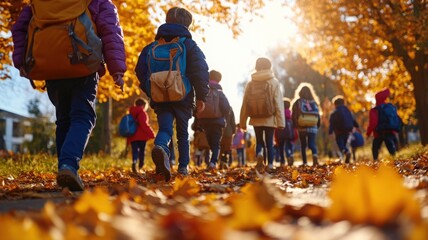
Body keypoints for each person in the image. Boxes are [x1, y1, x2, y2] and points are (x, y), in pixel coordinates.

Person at [12, 0, 126, 191]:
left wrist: (21, 62)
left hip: (50, 68)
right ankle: (68, 166)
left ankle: (63, 170)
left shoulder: (39, 3)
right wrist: (117, 69)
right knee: (83, 117)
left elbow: (20, 29)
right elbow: (111, 33)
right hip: (83, 67)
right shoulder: (98, 2)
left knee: (63, 120)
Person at [135, 7, 209, 181]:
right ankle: (183, 168)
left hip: (160, 97)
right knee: (182, 133)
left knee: (165, 128)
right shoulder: (188, 45)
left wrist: (152, 89)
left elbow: (140, 70)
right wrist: (202, 96)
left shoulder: (152, 46)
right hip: (183, 95)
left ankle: (160, 146)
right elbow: (200, 71)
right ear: (187, 25)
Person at [240, 57, 285, 171]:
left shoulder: (251, 83)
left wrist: (242, 123)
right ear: (269, 67)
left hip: (255, 117)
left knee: (259, 140)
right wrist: (281, 122)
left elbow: (245, 103)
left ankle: (259, 153)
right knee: (269, 142)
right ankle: (270, 164)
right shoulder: (274, 82)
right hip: (270, 118)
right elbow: (278, 103)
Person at [196, 70, 232, 170]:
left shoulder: (203, 91)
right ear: (219, 80)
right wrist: (223, 115)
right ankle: (213, 163)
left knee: (211, 142)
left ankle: (211, 161)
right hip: (217, 122)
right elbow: (226, 108)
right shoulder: (219, 92)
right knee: (216, 143)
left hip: (205, 122)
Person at [291, 83, 321, 166]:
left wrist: (295, 125)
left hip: (302, 126)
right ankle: (315, 155)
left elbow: (294, 114)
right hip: (313, 127)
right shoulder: (314, 102)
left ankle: (304, 162)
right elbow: (318, 115)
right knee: (312, 143)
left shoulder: (298, 102)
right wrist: (317, 125)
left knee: (303, 145)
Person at [366, 88, 400, 161]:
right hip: (390, 131)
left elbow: (373, 123)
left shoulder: (374, 110)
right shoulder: (389, 107)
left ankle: (375, 161)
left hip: (379, 133)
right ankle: (396, 161)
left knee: (375, 148)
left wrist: (368, 133)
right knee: (391, 147)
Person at [328, 95, 360, 164]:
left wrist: (330, 132)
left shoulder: (335, 112)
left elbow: (332, 123)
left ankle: (346, 152)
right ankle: (346, 155)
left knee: (341, 145)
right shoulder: (348, 111)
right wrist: (357, 126)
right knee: (345, 144)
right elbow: (352, 119)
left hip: (339, 132)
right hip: (348, 131)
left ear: (335, 104)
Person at [127, 98, 155, 173]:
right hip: (142, 137)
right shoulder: (142, 113)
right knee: (141, 151)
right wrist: (151, 134)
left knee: (135, 151)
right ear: (143, 105)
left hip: (133, 136)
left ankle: (134, 162)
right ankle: (140, 166)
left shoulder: (131, 113)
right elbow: (144, 125)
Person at [276, 98, 297, 167]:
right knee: (289, 146)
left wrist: (275, 135)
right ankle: (290, 155)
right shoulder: (291, 114)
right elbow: (294, 125)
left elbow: (276, 124)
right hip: (289, 133)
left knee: (281, 148)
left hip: (280, 132)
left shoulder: (279, 113)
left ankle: (282, 161)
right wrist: (295, 134)